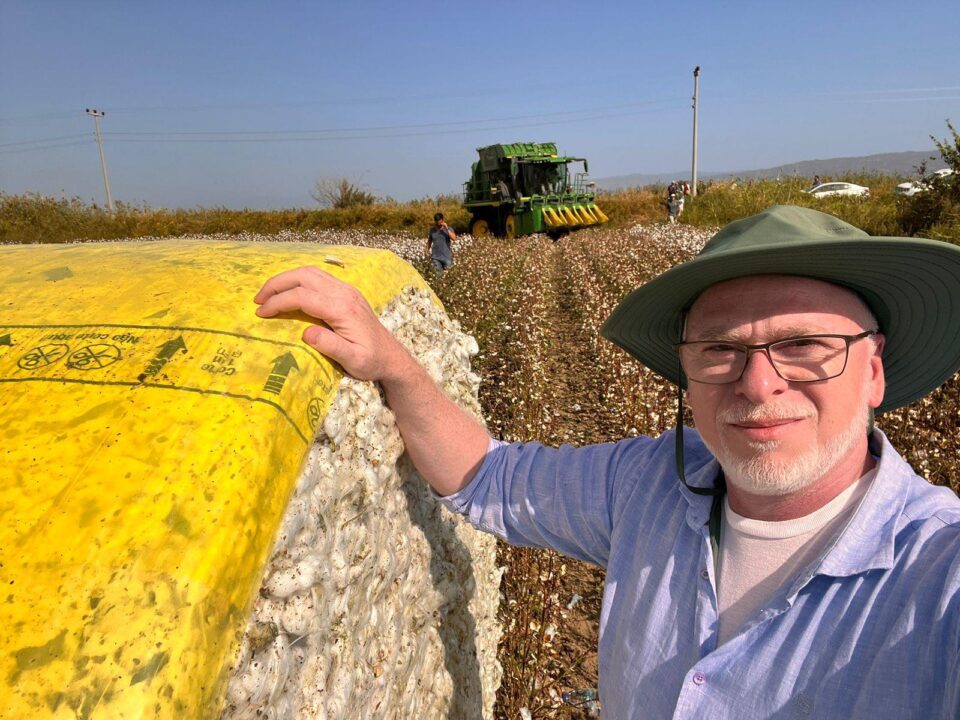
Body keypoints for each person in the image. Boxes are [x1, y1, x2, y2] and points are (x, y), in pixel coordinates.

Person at [253, 205, 960, 719]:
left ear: (875, 372)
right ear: (685, 375)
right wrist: (395, 363)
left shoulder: (937, 573)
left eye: (805, 345)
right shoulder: (648, 484)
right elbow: (487, 476)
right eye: (719, 350)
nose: (757, 383)